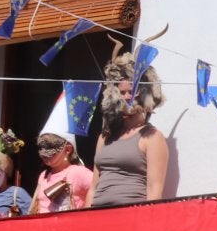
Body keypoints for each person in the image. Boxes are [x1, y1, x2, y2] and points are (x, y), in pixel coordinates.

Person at [91, 45, 169, 207]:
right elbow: (93, 187)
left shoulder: (152, 137)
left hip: (130, 217)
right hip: (97, 216)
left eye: (133, 91)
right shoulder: (105, 136)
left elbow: (154, 189)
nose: (128, 97)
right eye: (122, 92)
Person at [30, 133, 93, 213]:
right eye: (41, 147)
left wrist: (85, 214)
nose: (44, 152)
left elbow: (96, 188)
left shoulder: (79, 172)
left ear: (68, 149)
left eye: (50, 146)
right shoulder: (43, 175)